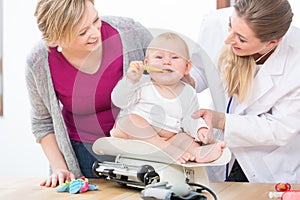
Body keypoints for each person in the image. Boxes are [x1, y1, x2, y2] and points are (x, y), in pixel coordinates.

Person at [25, 0, 153, 187]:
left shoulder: (130, 33)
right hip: (83, 155)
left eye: (95, 20)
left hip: (139, 148)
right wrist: (60, 168)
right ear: (56, 38)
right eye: (82, 32)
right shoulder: (39, 63)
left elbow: (166, 79)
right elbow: (42, 122)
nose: (95, 33)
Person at [191, 0, 300, 183]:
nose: (227, 40)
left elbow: (280, 128)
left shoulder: (296, 60)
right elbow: (201, 70)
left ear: (272, 42)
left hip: (266, 164)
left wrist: (220, 120)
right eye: (229, 26)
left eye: (241, 39)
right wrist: (181, 77)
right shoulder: (214, 23)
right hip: (219, 152)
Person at [111, 32, 226, 164]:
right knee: (129, 121)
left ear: (187, 67)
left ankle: (199, 154)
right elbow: (118, 100)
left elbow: (191, 119)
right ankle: (164, 149)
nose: (166, 62)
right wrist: (130, 81)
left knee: (185, 138)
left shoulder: (188, 92)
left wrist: (201, 129)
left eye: (175, 57)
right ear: (147, 63)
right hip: (135, 137)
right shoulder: (142, 83)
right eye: (159, 57)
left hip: (169, 140)